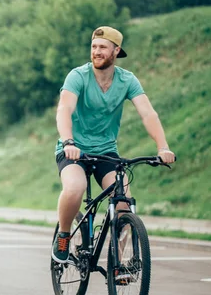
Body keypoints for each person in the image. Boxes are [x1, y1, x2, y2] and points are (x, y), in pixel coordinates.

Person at [52, 26, 175, 265]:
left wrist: (163, 147)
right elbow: (64, 109)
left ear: (116, 51)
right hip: (74, 148)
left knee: (124, 204)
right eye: (94, 47)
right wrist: (68, 141)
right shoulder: (78, 76)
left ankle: (118, 264)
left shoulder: (127, 80)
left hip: (107, 151)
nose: (96, 52)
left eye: (102, 47)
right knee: (75, 188)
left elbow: (148, 114)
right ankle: (64, 235)